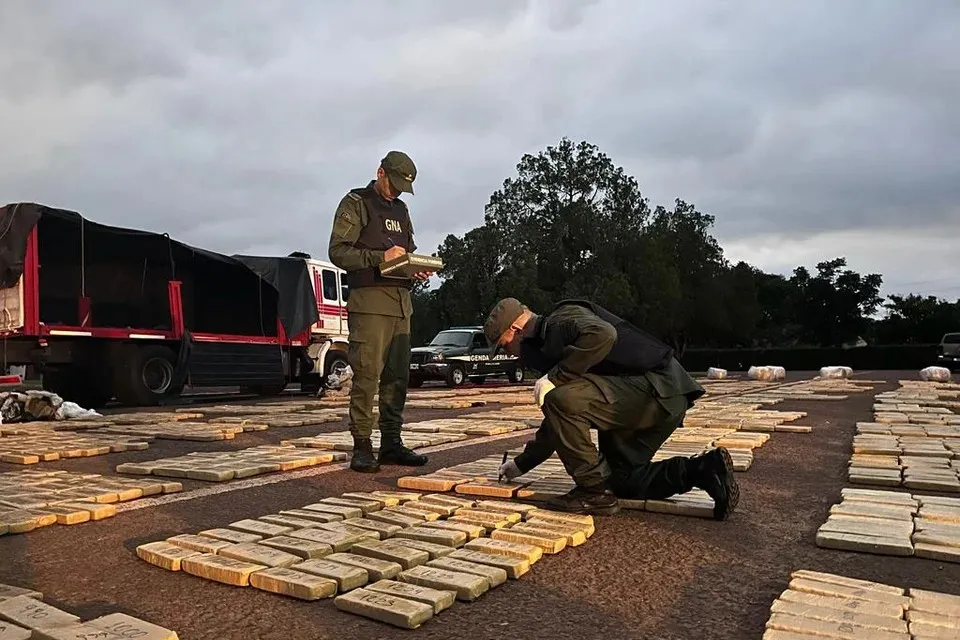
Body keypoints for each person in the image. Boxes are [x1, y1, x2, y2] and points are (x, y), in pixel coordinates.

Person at [484, 297, 740, 518]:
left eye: (504, 345)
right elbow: (558, 422)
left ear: (516, 328)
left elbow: (604, 334)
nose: (510, 353)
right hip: (659, 396)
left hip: (655, 388)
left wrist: (554, 378)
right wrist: (521, 464)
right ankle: (704, 470)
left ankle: (592, 492)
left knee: (560, 399)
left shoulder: (561, 319)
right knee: (620, 481)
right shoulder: (548, 345)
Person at [328, 151, 434, 473]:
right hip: (371, 303)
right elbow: (337, 252)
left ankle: (392, 444)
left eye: (404, 187)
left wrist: (415, 267)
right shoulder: (356, 203)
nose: (398, 191)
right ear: (380, 172)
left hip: (402, 304)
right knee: (367, 376)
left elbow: (407, 251)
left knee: (397, 378)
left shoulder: (402, 209)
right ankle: (362, 446)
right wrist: (379, 257)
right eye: (395, 184)